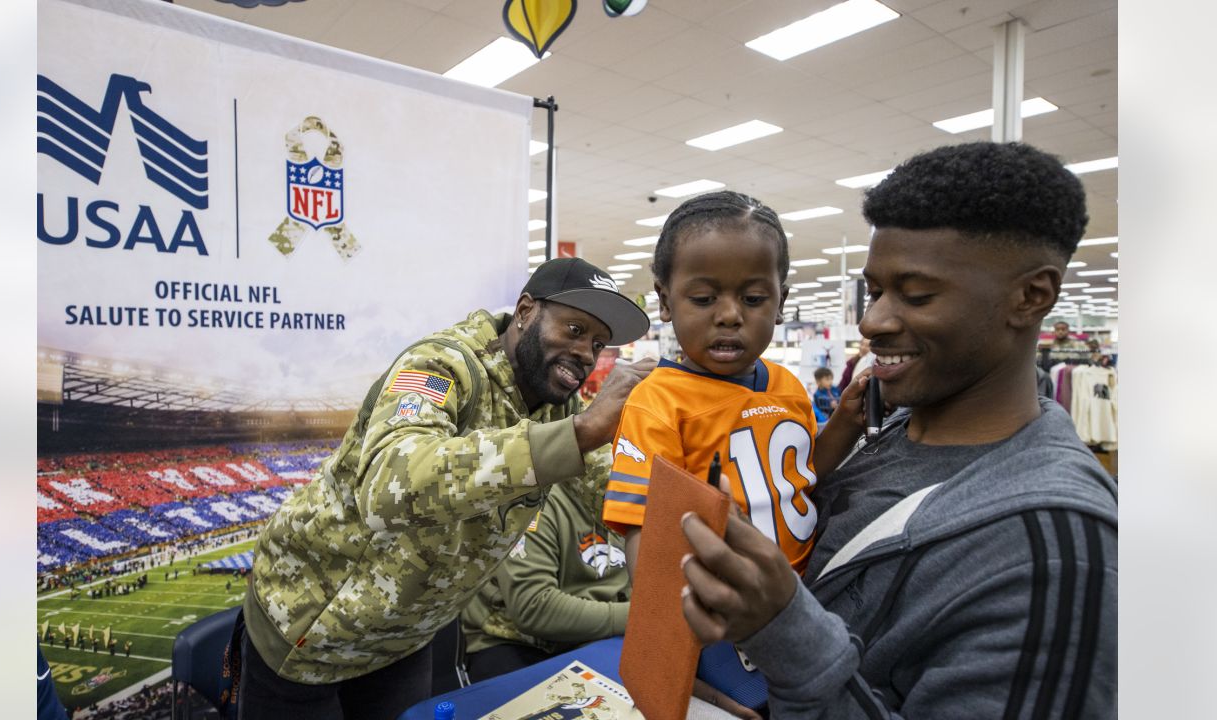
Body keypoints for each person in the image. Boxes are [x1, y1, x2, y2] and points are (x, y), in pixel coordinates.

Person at [678, 141, 1117, 718]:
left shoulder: (1057, 553)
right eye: (876, 290)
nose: (872, 321)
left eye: (917, 295)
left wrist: (786, 633)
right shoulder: (888, 428)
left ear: (1031, 296)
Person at [238, 257, 654, 719]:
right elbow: (388, 485)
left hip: (405, 639)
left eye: (597, 344)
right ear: (525, 311)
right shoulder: (443, 364)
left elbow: (619, 493)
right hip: (309, 632)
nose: (585, 353)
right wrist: (578, 434)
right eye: (574, 330)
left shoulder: (559, 405)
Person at [601, 190, 863, 577]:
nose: (729, 315)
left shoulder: (787, 385)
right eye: (704, 298)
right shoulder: (656, 403)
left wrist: (846, 421)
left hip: (809, 600)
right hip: (725, 616)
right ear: (665, 300)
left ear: (781, 303)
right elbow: (647, 530)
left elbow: (800, 476)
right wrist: (672, 628)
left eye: (754, 298)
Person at [461, 473, 630, 682]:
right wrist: (638, 618)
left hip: (599, 632)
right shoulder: (531, 499)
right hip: (515, 641)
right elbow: (534, 607)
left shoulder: (631, 491)